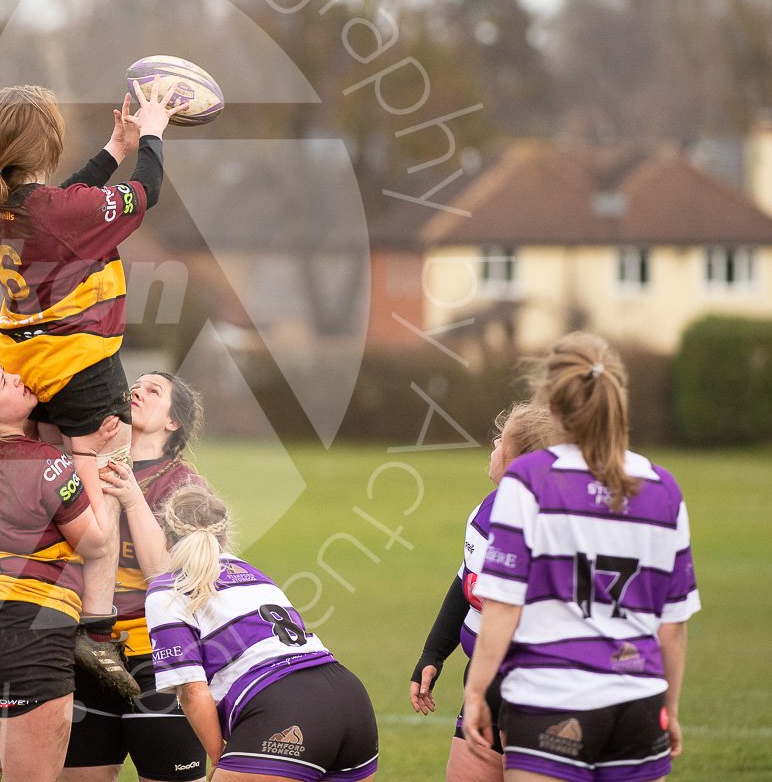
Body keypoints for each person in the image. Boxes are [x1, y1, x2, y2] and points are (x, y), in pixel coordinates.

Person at [463, 333, 699, 782]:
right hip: (639, 706)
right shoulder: (664, 489)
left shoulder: (528, 481)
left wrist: (476, 692)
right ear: (616, 400)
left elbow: (504, 605)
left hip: (550, 699)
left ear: (550, 407)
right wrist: (668, 709)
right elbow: (673, 624)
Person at [0, 80, 183, 474]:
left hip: (31, 369)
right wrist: (153, 132)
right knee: (109, 497)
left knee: (59, 500)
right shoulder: (58, 213)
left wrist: (115, 150)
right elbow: (146, 190)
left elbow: (60, 206)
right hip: (83, 368)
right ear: (49, 145)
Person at [0, 356, 119, 782]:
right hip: (31, 633)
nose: (17, 378)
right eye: (4, 380)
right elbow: (96, 541)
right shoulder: (44, 463)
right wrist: (88, 455)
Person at [145, 485, 379, 782]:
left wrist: (219, 759)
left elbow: (192, 691)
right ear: (226, 537)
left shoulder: (167, 591)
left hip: (285, 706)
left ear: (166, 538)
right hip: (351, 699)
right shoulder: (255, 574)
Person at [64, 371, 212, 782]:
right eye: (135, 385)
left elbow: (164, 573)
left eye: (154, 391)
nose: (137, 392)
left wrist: (131, 498)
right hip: (87, 649)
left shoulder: (186, 487)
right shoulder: (84, 465)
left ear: (173, 422)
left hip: (158, 656)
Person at [409, 401, 554, 782]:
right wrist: (434, 653)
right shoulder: (487, 512)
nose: (492, 445)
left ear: (520, 462)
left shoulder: (551, 528)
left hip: (536, 688)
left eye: (501, 441)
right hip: (485, 684)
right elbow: (466, 582)